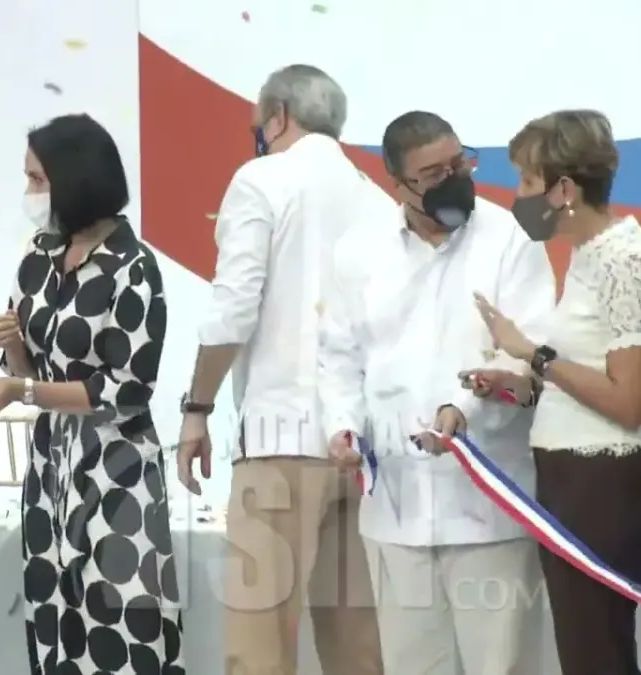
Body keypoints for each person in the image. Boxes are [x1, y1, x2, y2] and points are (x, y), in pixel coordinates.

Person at [318, 111, 555, 675]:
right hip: (395, 510)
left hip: (490, 505)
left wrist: (465, 409)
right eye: (433, 175)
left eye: (459, 165)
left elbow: (529, 351)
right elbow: (339, 356)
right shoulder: (359, 251)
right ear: (398, 183)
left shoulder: (510, 239)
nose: (453, 180)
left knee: (503, 665)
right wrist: (342, 426)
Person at [175, 64, 385, 675]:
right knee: (359, 648)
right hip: (360, 446)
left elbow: (232, 310)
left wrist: (197, 408)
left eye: (258, 124)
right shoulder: (376, 199)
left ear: (279, 117)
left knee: (259, 647)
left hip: (279, 439)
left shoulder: (261, 179)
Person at [0, 114, 183, 674]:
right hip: (50, 468)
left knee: (120, 621)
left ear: (75, 179)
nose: (30, 192)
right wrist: (13, 348)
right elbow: (28, 366)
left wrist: (24, 388)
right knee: (54, 616)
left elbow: (124, 389)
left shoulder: (133, 266)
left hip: (116, 467)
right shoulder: (38, 256)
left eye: (38, 179)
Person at [463, 109, 641, 675]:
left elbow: (630, 401)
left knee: (595, 656)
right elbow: (586, 378)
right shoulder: (590, 255)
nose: (518, 195)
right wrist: (523, 386)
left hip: (605, 485)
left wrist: (534, 354)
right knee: (587, 654)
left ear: (563, 189)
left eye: (527, 181)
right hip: (575, 481)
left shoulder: (622, 262)